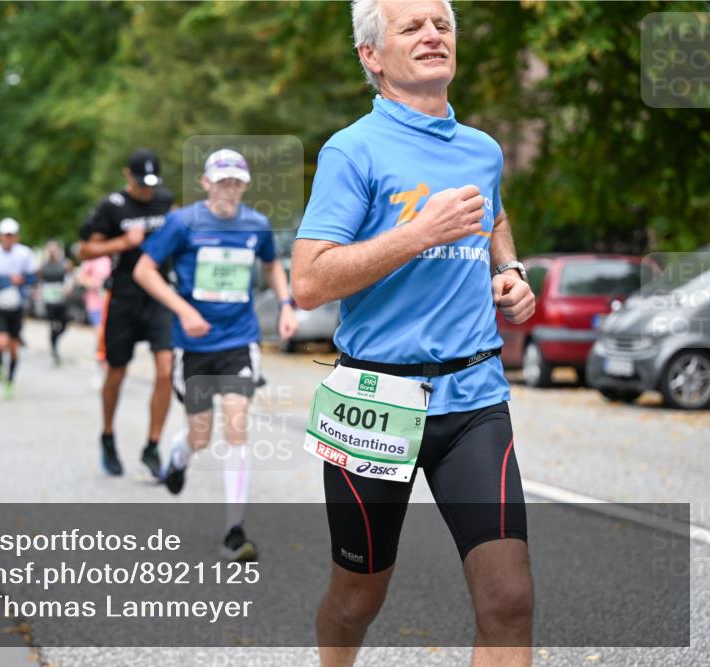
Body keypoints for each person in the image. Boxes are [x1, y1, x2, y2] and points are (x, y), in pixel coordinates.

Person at [290, 2, 536, 665]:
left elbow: (491, 213)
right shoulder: (353, 150)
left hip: (474, 399)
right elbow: (309, 281)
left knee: (508, 599)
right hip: (375, 400)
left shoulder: (481, 149)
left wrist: (509, 270)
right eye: (412, 27)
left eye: (443, 25)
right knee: (358, 595)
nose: (434, 35)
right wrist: (419, 233)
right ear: (372, 56)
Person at [134, 148, 298, 561]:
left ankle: (234, 531)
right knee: (200, 436)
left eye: (236, 182)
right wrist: (184, 311)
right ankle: (178, 458)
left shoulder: (256, 225)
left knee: (237, 424)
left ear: (244, 186)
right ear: (206, 183)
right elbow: (143, 270)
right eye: (221, 181)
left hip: (238, 340)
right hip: (192, 346)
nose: (229, 189)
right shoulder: (182, 223)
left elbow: (272, 265)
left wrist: (286, 305)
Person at [78, 149, 176, 478]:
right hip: (123, 296)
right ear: (127, 175)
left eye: (152, 184)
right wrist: (121, 242)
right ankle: (107, 435)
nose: (147, 191)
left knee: (166, 369)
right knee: (116, 372)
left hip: (159, 294)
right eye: (141, 183)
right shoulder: (112, 206)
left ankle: (152, 445)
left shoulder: (166, 202)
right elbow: (85, 249)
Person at [0, 218, 37, 398]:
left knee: (13, 348)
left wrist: (22, 280)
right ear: (0, 236)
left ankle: (10, 381)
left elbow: (33, 276)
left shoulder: (25, 254)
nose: (8, 239)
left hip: (16, 306)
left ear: (16, 237)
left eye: (11, 236)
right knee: (0, 342)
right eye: (6, 236)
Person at [77, 255, 112, 388]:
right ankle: (99, 368)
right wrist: (95, 283)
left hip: (112, 305)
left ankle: (109, 369)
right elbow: (81, 277)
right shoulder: (93, 258)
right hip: (95, 304)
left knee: (110, 338)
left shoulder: (114, 258)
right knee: (100, 335)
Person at [39, 241, 74, 366]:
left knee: (64, 325)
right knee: (53, 326)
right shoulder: (44, 266)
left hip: (61, 300)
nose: (52, 253)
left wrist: (68, 287)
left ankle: (56, 341)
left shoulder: (65, 264)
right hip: (50, 301)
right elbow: (40, 281)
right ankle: (54, 350)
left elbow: (70, 277)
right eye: (50, 250)